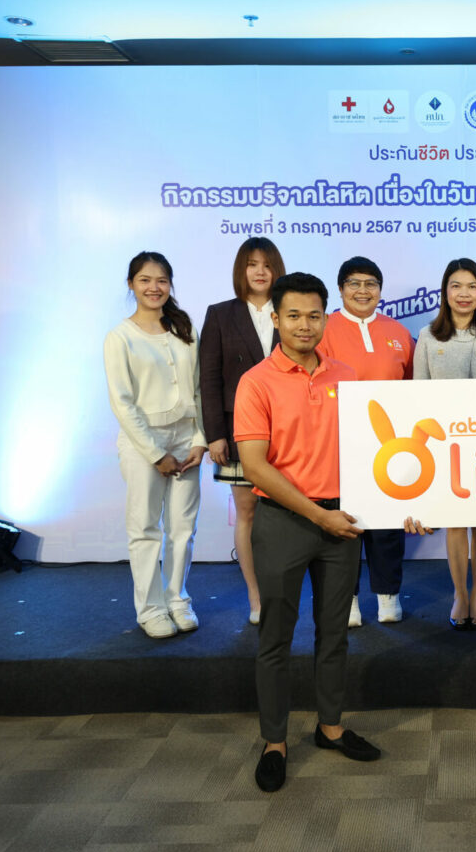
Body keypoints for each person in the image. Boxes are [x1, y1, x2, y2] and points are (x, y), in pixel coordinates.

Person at [234, 271, 380, 793]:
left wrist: (407, 505)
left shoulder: (347, 376)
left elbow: (372, 453)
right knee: (275, 637)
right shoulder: (256, 382)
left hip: (342, 522)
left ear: (326, 319)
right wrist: (319, 516)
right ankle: (274, 742)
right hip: (284, 523)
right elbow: (255, 465)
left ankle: (330, 727)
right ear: (275, 318)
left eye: (314, 315)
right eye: (293, 315)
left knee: (334, 633)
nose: (304, 325)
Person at [103, 251, 208, 639]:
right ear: (131, 284)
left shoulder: (184, 327)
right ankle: (150, 609)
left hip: (186, 438)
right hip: (143, 441)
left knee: (183, 528)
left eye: (161, 280)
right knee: (145, 528)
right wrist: (155, 453)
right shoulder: (120, 337)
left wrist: (200, 440)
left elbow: (200, 388)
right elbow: (122, 402)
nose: (154, 287)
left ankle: (177, 600)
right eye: (145, 280)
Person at [413, 259, 476, 630]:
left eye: (472, 286)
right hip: (445, 446)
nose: (464, 293)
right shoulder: (428, 336)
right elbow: (419, 397)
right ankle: (459, 593)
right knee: (455, 523)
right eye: (456, 286)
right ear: (445, 292)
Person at [316, 256, 414, 626]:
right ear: (340, 289)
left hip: (390, 445)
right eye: (354, 283)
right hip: (339, 445)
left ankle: (388, 596)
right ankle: (348, 600)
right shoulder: (323, 329)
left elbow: (412, 387)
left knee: (387, 524)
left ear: (380, 290)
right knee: (345, 524)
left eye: (370, 283)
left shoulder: (398, 332)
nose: (362, 290)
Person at [199, 237, 283, 626]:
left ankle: (282, 593)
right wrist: (215, 434)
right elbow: (209, 378)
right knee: (247, 512)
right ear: (241, 270)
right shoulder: (220, 314)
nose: (260, 271)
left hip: (288, 428)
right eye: (252, 264)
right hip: (239, 430)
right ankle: (256, 596)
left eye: (267, 264)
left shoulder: (291, 309)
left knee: (284, 515)